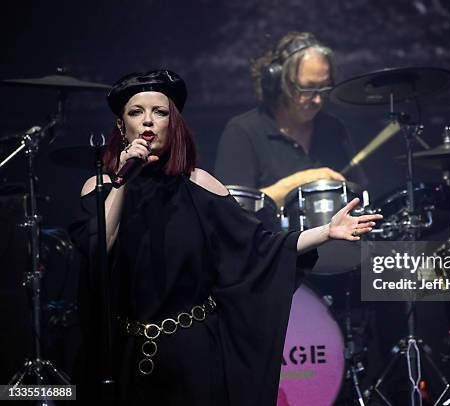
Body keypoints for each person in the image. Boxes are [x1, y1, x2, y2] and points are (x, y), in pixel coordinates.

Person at [68, 69, 381, 405]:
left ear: (173, 124)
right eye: (136, 112)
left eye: (160, 113)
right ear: (121, 126)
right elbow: (98, 247)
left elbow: (260, 248)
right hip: (124, 354)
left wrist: (325, 232)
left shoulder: (200, 184)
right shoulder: (101, 188)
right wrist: (123, 179)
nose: (148, 122)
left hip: (193, 354)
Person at [214, 31, 366, 207]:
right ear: (279, 82)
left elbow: (358, 197)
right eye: (307, 89)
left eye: (324, 89)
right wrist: (301, 181)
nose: (317, 100)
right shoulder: (243, 131)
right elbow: (230, 209)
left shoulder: (334, 129)